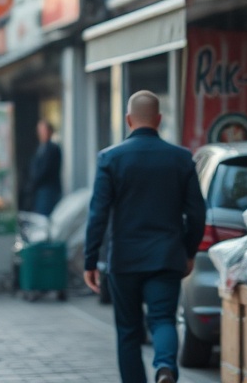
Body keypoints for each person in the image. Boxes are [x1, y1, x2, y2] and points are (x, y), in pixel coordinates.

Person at [84, 91, 206, 383]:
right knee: (163, 319)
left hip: (124, 260)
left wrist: (91, 260)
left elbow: (97, 214)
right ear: (159, 120)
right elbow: (198, 213)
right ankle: (165, 368)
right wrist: (188, 251)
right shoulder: (180, 159)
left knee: (127, 331)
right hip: (166, 256)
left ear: (128, 120)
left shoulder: (110, 159)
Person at [27, 119, 62, 216]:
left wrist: (34, 181)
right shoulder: (41, 147)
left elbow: (45, 169)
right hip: (40, 190)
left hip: (48, 189)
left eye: (43, 130)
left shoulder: (52, 148)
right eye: (39, 130)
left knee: (44, 215)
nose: (41, 133)